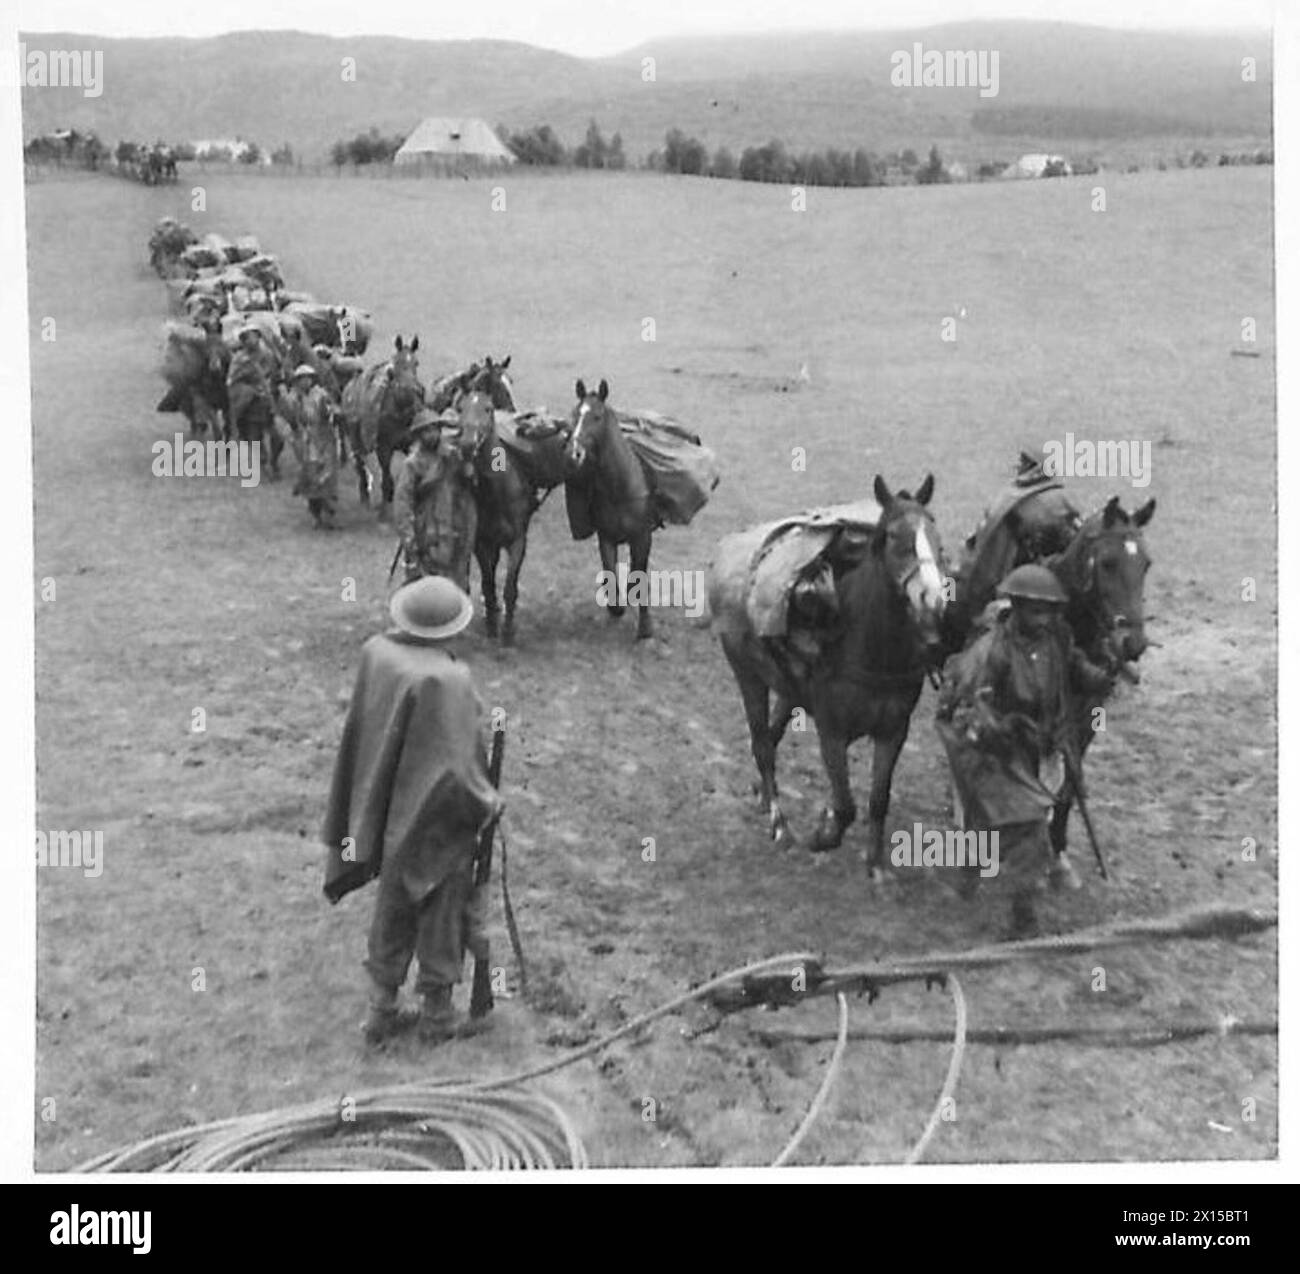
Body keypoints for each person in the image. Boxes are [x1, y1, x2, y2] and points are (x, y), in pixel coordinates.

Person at [322, 577, 503, 1045]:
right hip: (438, 818)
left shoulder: (378, 653)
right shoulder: (447, 679)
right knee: (443, 902)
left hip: (389, 811)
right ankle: (439, 1015)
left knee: (394, 900)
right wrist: (488, 802)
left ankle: (380, 1009)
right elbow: (460, 770)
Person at [935, 564, 1114, 934]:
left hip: (1037, 746)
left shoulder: (1056, 640)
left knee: (989, 820)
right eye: (1035, 611)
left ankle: (966, 875)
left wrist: (1106, 672)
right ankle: (1023, 916)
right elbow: (969, 708)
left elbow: (1077, 670)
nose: (1043, 619)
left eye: (1049, 611)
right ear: (1016, 607)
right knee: (1028, 826)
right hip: (990, 749)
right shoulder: (991, 652)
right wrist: (999, 729)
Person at [394, 408, 479, 592]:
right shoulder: (412, 465)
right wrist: (409, 539)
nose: (432, 434)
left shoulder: (452, 456)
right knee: (425, 586)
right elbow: (402, 504)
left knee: (457, 583)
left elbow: (468, 487)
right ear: (419, 435)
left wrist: (468, 469)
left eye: (435, 429)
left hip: (454, 530)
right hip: (427, 534)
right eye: (426, 431)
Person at [281, 364, 340, 527]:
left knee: (326, 477)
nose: (304, 382)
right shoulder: (296, 398)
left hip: (324, 439)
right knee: (310, 477)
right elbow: (291, 418)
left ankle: (328, 514)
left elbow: (331, 414)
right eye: (301, 379)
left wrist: (330, 415)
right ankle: (316, 515)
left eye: (307, 378)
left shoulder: (321, 395)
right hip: (308, 441)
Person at [226, 324, 284, 477]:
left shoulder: (269, 355)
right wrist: (250, 390)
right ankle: (264, 467)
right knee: (255, 438)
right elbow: (232, 381)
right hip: (251, 404)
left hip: (270, 401)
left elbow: (277, 375)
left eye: (253, 336)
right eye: (246, 338)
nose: (251, 341)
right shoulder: (240, 359)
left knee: (278, 437)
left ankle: (274, 462)